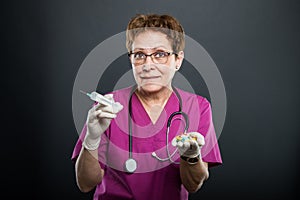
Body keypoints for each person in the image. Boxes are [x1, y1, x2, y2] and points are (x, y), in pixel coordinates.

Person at [72, 13, 222, 200]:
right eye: (140, 55)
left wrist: (191, 156)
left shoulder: (198, 107)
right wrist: (91, 139)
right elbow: (85, 183)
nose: (147, 65)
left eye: (160, 54)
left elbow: (193, 185)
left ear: (178, 60)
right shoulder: (108, 107)